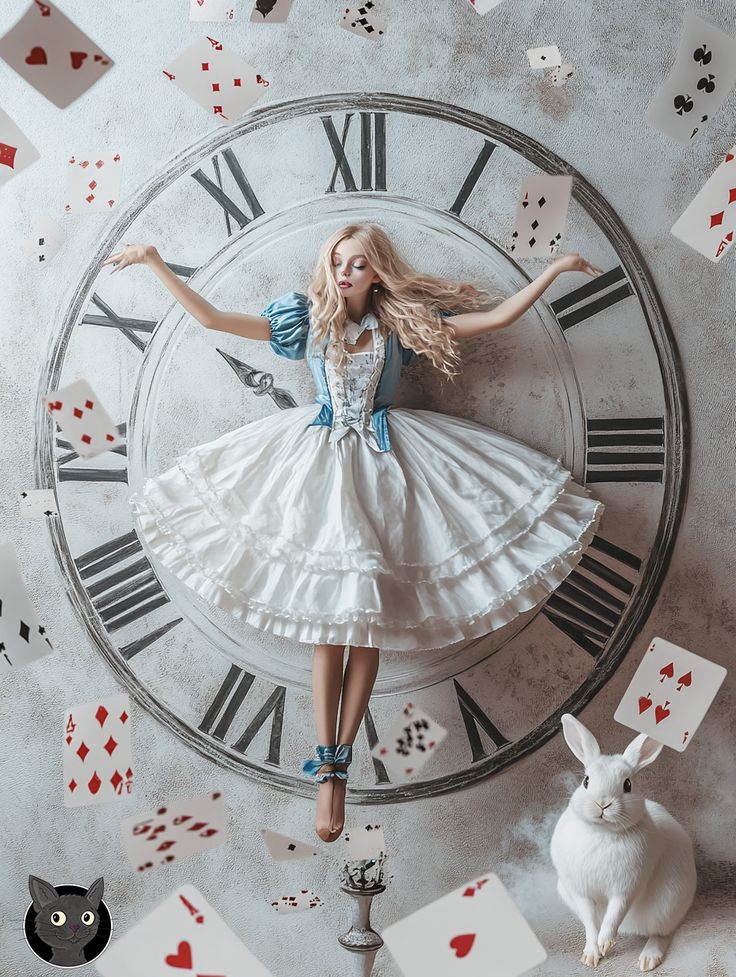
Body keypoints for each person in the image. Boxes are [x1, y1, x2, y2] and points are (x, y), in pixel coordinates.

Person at [103, 223, 605, 843]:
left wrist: (552, 272)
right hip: (315, 467)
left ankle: (339, 756)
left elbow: (497, 320)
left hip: (386, 464)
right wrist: (155, 259)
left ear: (377, 272)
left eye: (358, 264)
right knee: (327, 626)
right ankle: (329, 768)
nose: (344, 273)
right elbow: (212, 322)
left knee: (365, 619)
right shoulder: (307, 322)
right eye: (338, 262)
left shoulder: (398, 328)